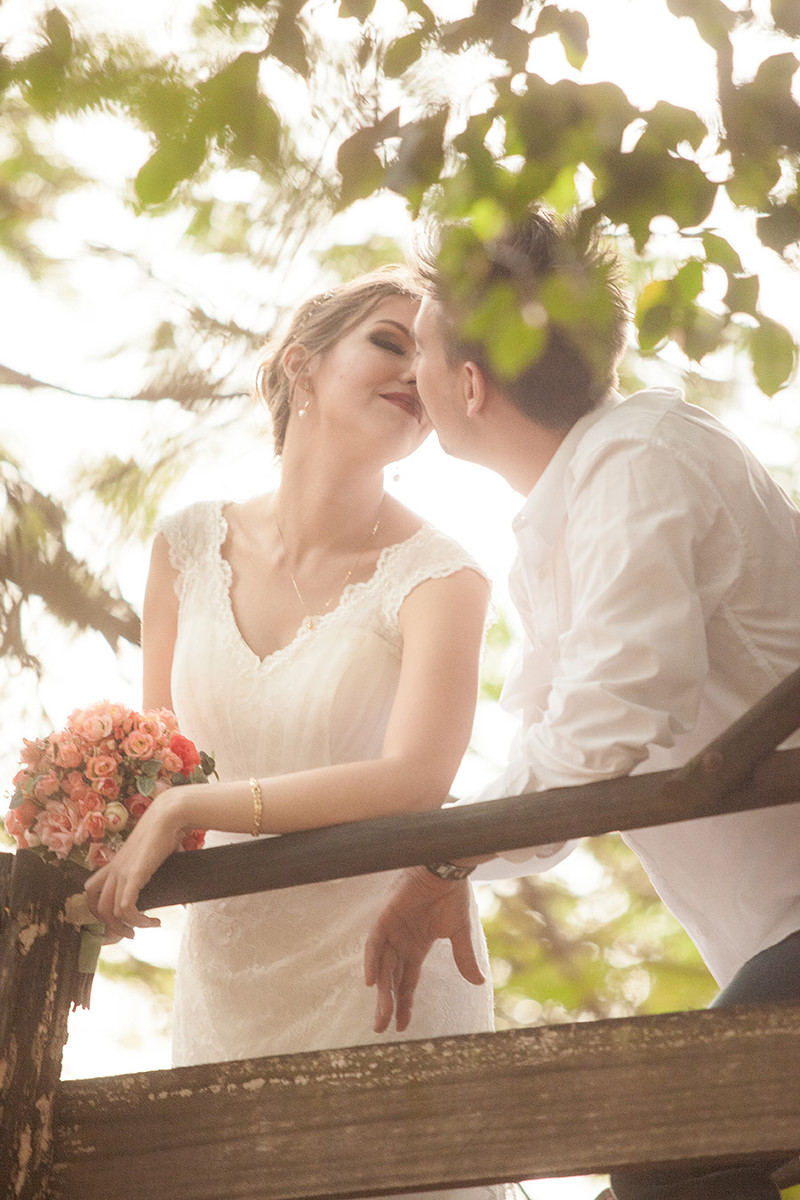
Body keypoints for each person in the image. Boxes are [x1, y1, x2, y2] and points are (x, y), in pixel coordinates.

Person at [364, 209, 800, 1200]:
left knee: (660, 1165)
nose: (412, 373)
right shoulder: (568, 516)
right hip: (773, 943)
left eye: (420, 346)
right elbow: (559, 754)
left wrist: (449, 854)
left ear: (467, 387)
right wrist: (461, 851)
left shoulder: (639, 461)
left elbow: (608, 719)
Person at [84, 265, 517, 1200]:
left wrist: (190, 803)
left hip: (381, 972)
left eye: (434, 354)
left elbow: (417, 779)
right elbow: (160, 766)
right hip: (231, 978)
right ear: (302, 367)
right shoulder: (183, 547)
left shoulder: (445, 575)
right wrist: (108, 850)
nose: (415, 369)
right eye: (388, 341)